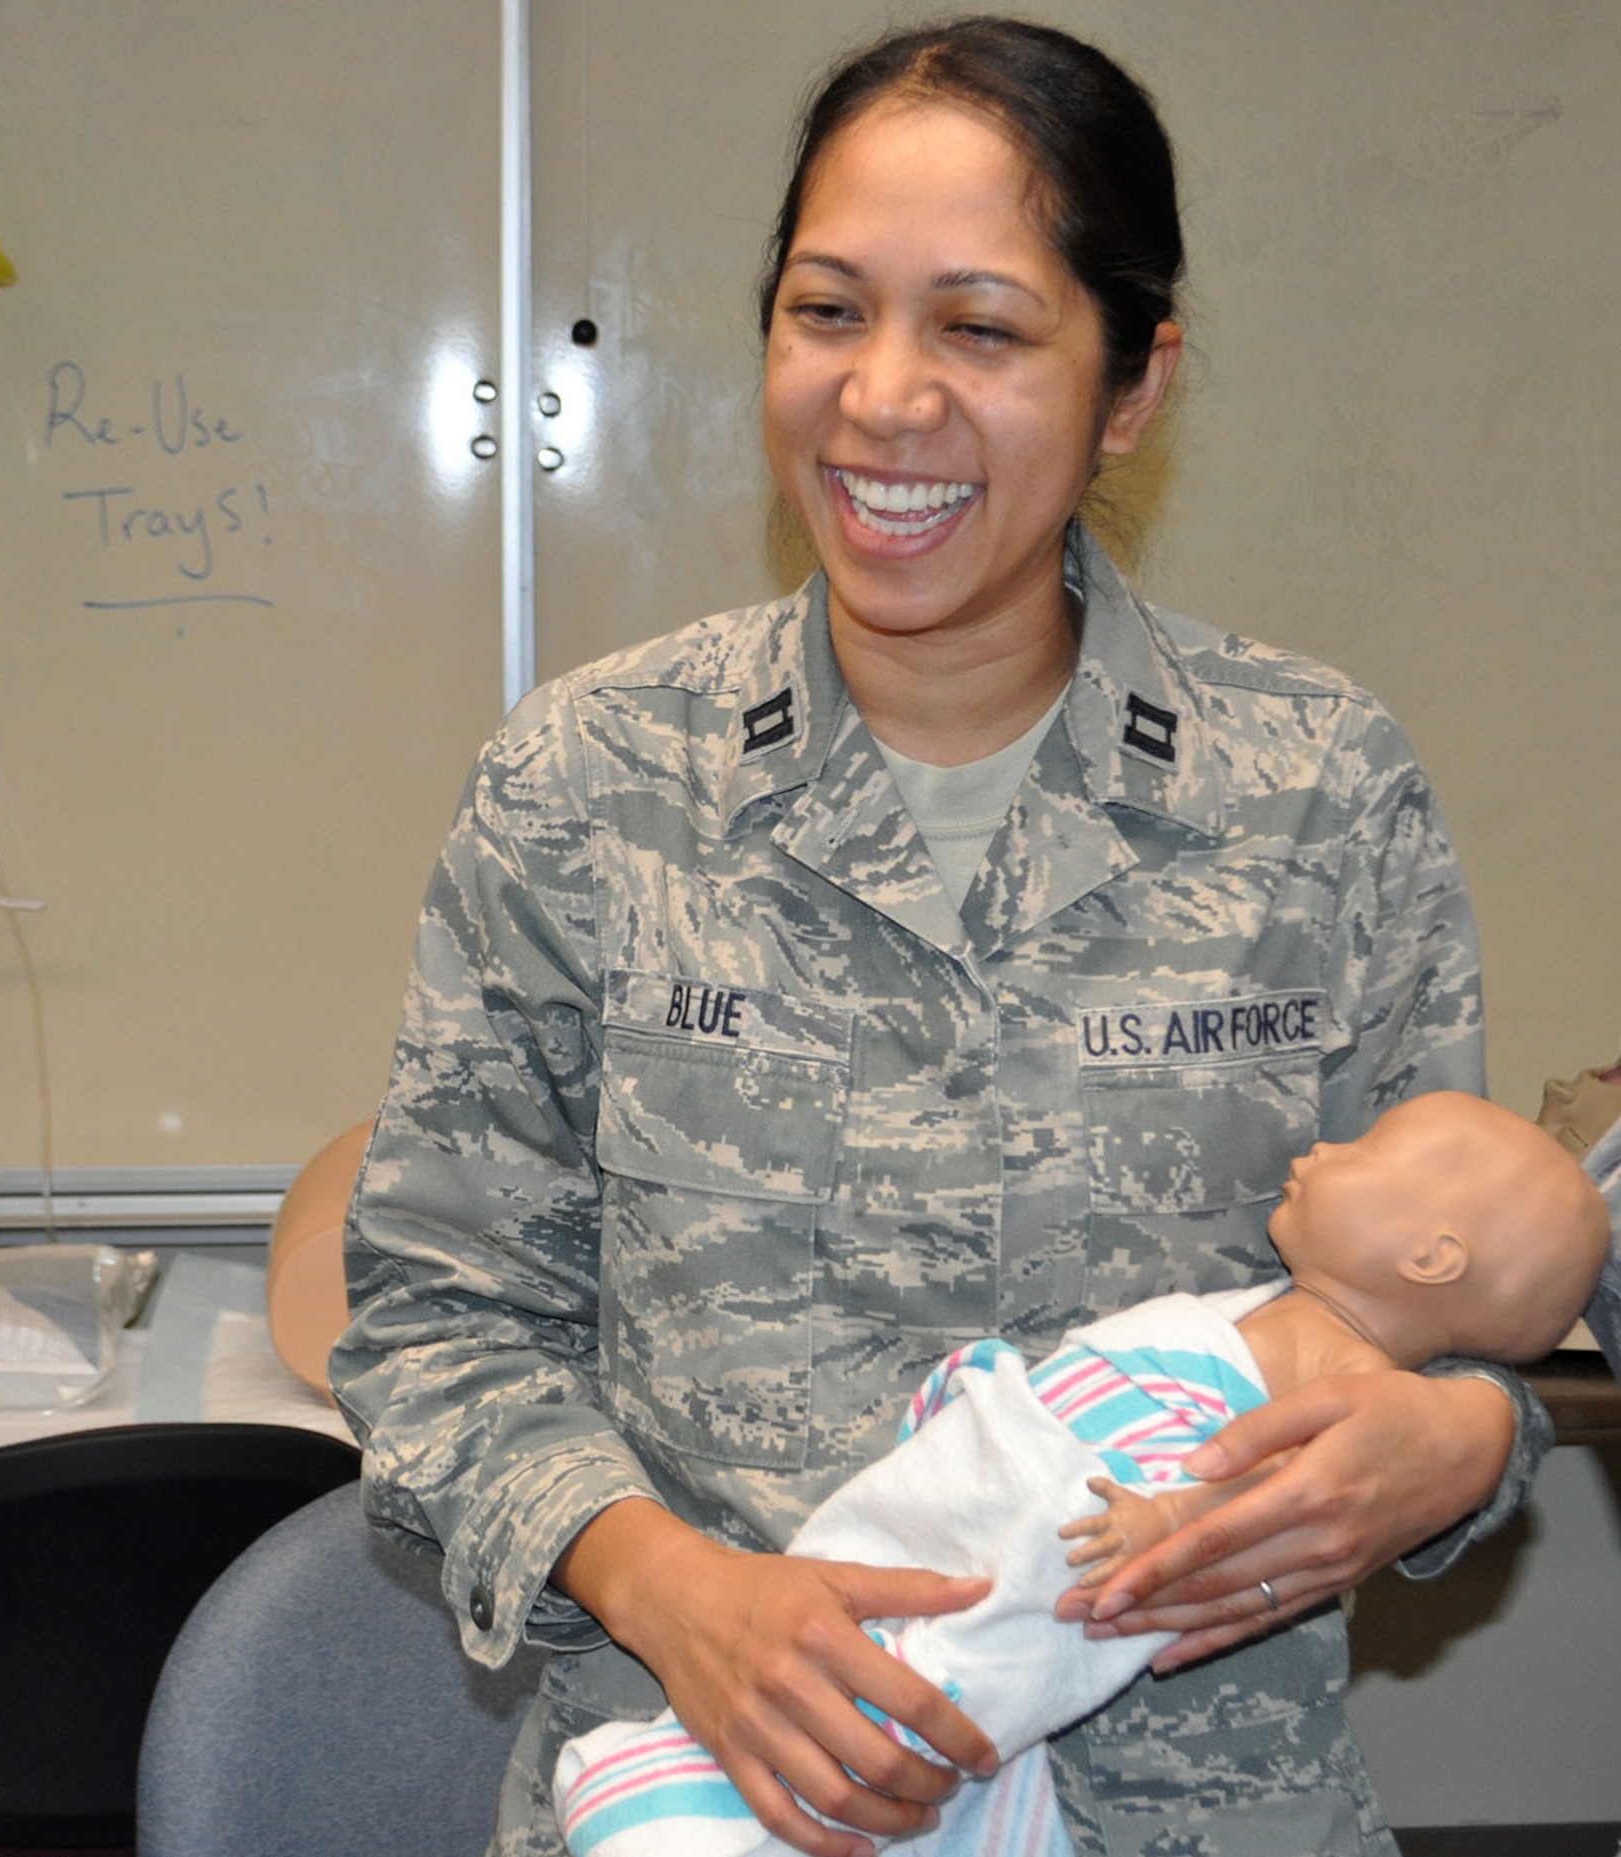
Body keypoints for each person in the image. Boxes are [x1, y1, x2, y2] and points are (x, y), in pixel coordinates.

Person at [331, 18, 1544, 1857]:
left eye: (981, 328)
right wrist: (683, 1597)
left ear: (1134, 386)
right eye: (828, 312)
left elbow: (1466, 1308)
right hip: (711, 1790)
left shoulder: (1315, 791)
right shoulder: (589, 785)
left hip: (1202, 1814)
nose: (884, 399)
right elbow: (436, 1323)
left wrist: (1462, 1449)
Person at [549, 1092, 1610, 1857]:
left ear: (1429, 1258)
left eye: (1367, 1148)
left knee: (923, 1694)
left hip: (1082, 1581)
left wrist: (1176, 1522)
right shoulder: (1255, 1312)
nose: (1322, 1144)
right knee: (838, 1670)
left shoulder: (1338, 1371)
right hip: (914, 1538)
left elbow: (1268, 1481)